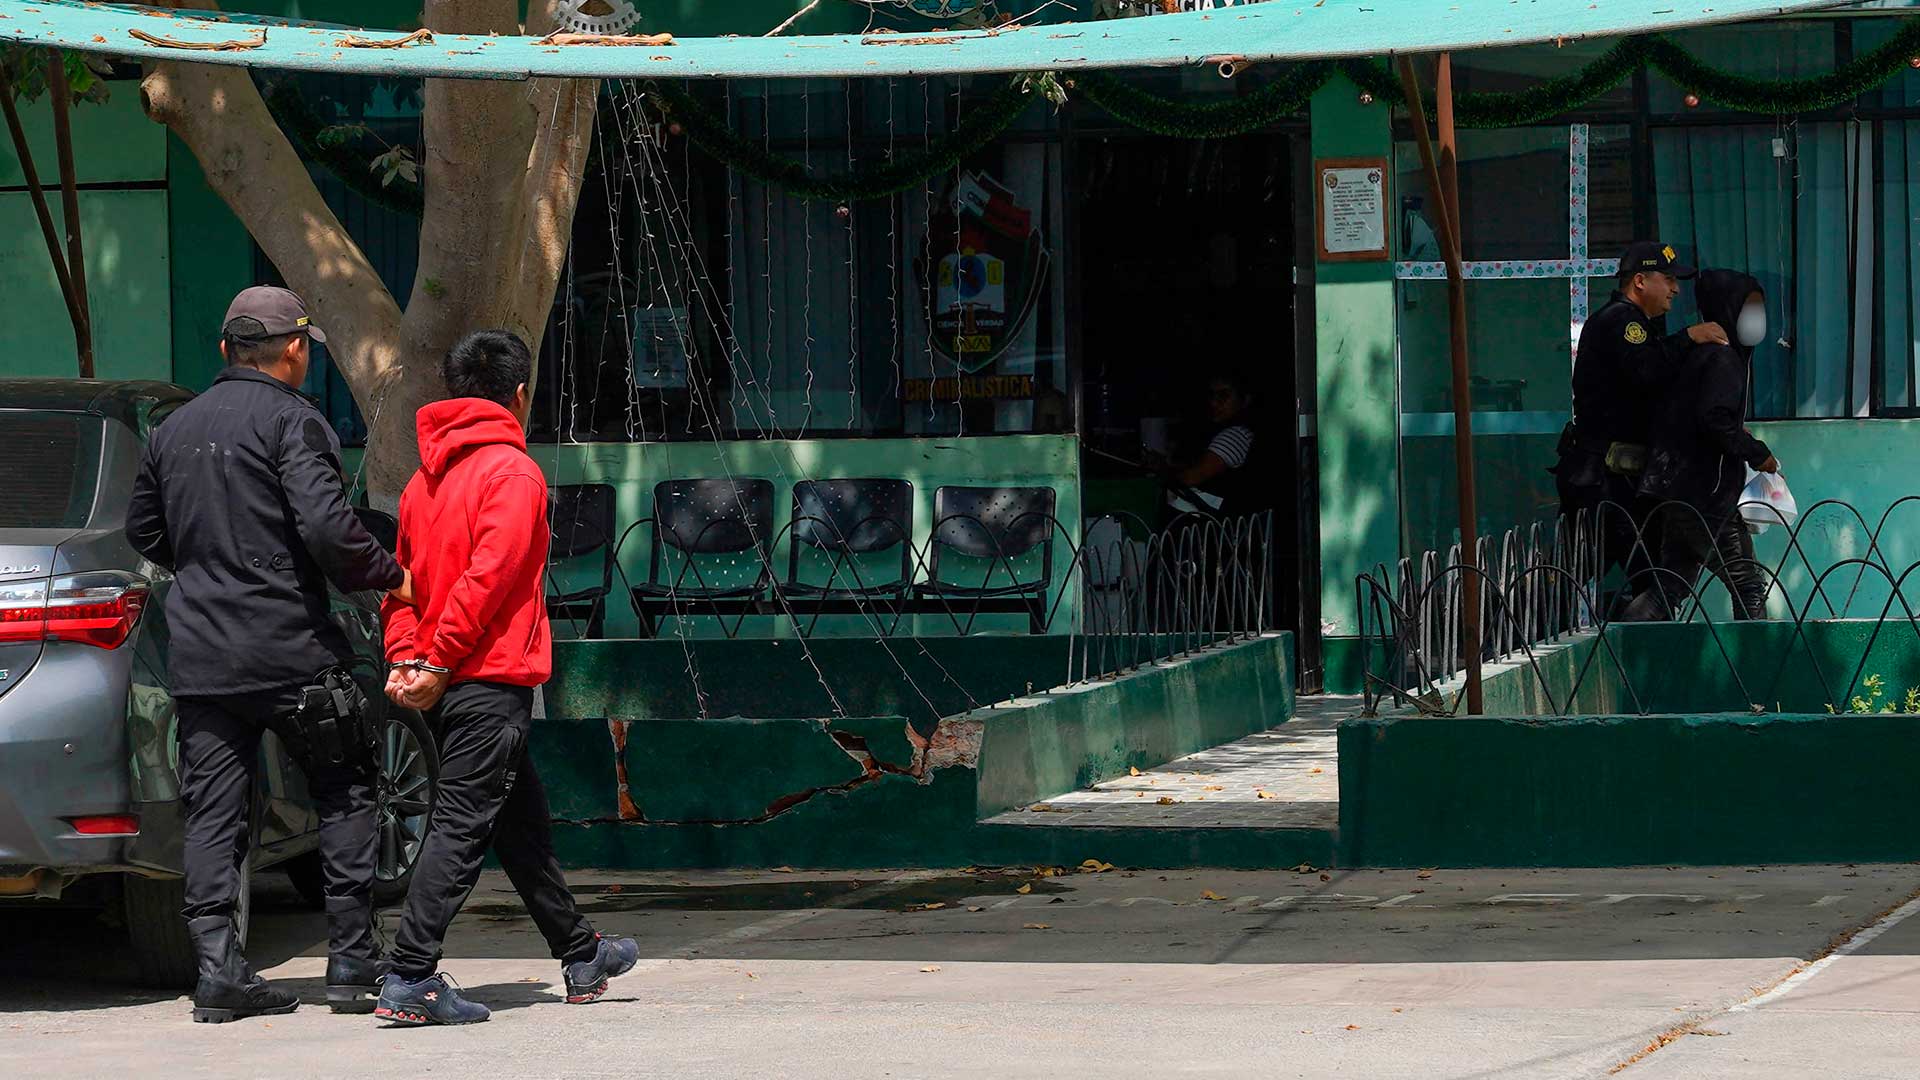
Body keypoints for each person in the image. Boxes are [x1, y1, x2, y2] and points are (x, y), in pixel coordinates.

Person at [126, 286, 413, 1023]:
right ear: (295, 350)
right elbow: (327, 527)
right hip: (291, 651)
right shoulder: (294, 422)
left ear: (226, 350)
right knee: (347, 788)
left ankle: (219, 975)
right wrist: (388, 574)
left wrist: (210, 568)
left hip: (202, 659)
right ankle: (352, 961)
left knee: (214, 816)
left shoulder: (172, 430)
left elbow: (145, 533)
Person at [374, 330, 638, 1026]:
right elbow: (487, 582)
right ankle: (408, 977)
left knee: (522, 826)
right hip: (484, 678)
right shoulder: (514, 475)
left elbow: (399, 587)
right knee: (461, 828)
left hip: (442, 677)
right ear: (519, 395)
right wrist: (434, 660)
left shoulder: (420, 483)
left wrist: (409, 656)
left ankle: (582, 953)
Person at [1553, 242, 1728, 605]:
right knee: (1647, 580)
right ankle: (1495, 634)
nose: (1676, 289)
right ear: (1639, 282)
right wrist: (1688, 337)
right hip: (1605, 479)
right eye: (1668, 279)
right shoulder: (1622, 323)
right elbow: (1647, 374)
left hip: (1612, 477)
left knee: (1583, 575)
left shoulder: (1634, 325)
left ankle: (1501, 632)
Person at [1621, 270, 1780, 622]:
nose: (1757, 319)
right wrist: (1758, 453)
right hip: (1706, 496)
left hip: (1678, 491)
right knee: (1748, 585)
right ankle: (1759, 668)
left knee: (1669, 587)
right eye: (1749, 308)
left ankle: (1621, 653)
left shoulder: (1699, 356)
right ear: (1728, 309)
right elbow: (1715, 420)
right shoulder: (1722, 359)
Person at [1157, 370, 1271, 520]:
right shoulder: (1229, 431)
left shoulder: (1236, 435)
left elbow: (1192, 477)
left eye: (1224, 396)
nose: (1214, 403)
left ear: (1245, 399)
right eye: (1212, 395)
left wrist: (1164, 473)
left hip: (1217, 528)